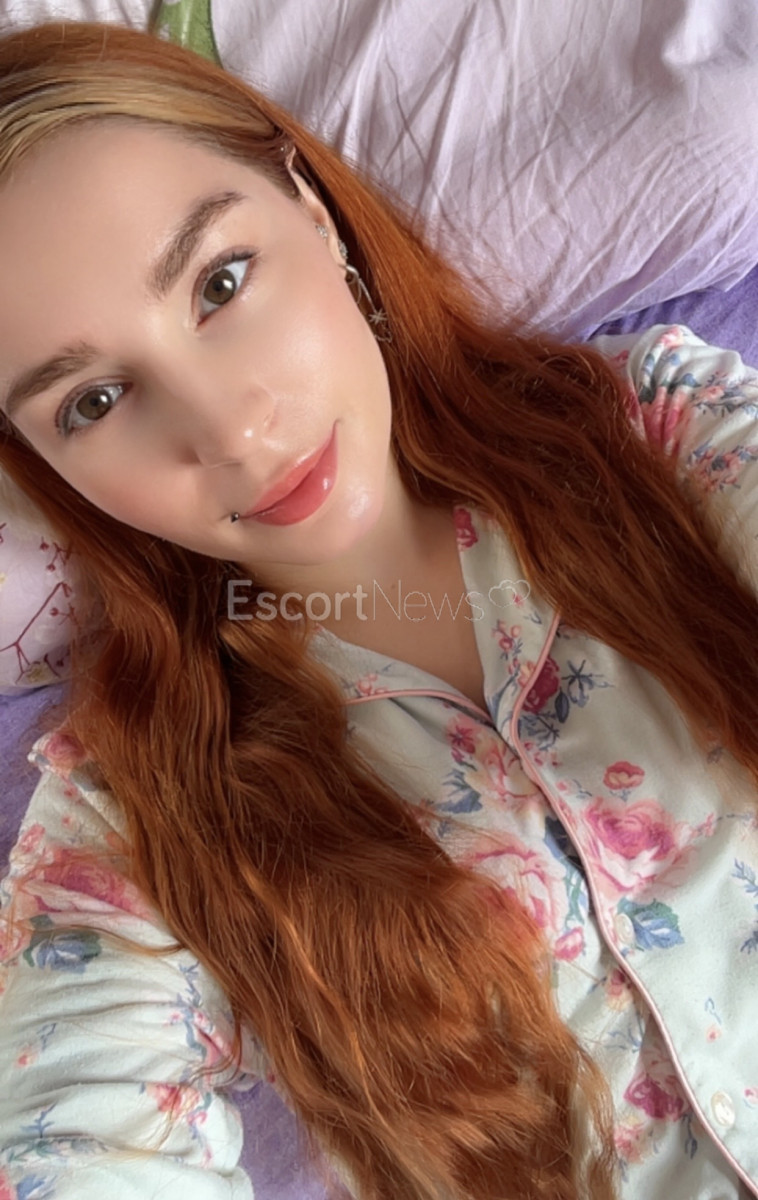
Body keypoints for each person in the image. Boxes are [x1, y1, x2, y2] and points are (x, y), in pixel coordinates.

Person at [0, 19, 757, 1200]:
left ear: (310, 209)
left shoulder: (656, 433)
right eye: (93, 401)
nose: (231, 431)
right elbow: (72, 1147)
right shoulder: (134, 805)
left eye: (220, 283)